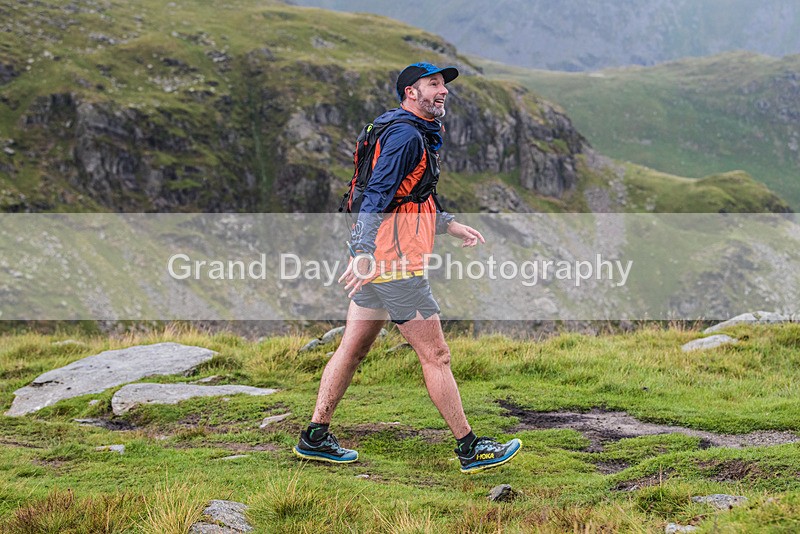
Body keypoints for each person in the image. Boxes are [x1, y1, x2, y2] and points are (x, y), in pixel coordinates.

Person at [293, 62, 522, 474]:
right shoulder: (405, 135)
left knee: (353, 347)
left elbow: (412, 192)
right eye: (433, 84)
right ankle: (470, 448)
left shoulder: (407, 131)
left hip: (378, 263)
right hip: (394, 263)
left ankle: (315, 436)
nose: (443, 91)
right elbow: (377, 194)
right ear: (410, 93)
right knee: (437, 355)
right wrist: (362, 250)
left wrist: (447, 224)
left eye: (444, 85)